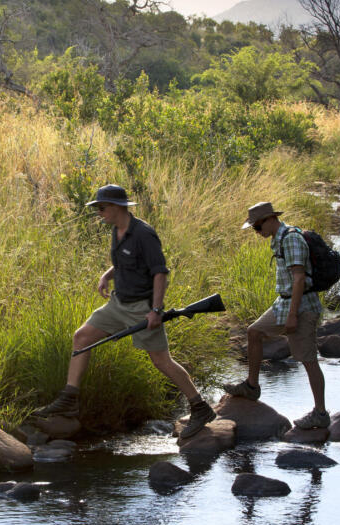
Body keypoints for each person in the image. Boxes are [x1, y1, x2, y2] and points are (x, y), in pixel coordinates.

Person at [33, 184, 216, 439]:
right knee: (81, 337)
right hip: (117, 304)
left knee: (161, 361)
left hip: (141, 308)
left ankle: (200, 406)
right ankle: (69, 399)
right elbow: (124, 261)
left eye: (102, 207)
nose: (99, 212)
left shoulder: (144, 234)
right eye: (97, 208)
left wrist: (155, 310)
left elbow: (160, 272)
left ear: (118, 207)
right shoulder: (117, 230)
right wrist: (107, 275)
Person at [223, 202, 328, 430]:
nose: (256, 232)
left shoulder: (290, 239)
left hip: (301, 307)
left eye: (257, 227)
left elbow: (299, 279)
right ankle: (252, 386)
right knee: (254, 332)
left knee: (308, 360)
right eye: (254, 228)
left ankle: (320, 412)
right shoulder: (278, 239)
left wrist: (292, 316)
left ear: (270, 219)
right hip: (285, 302)